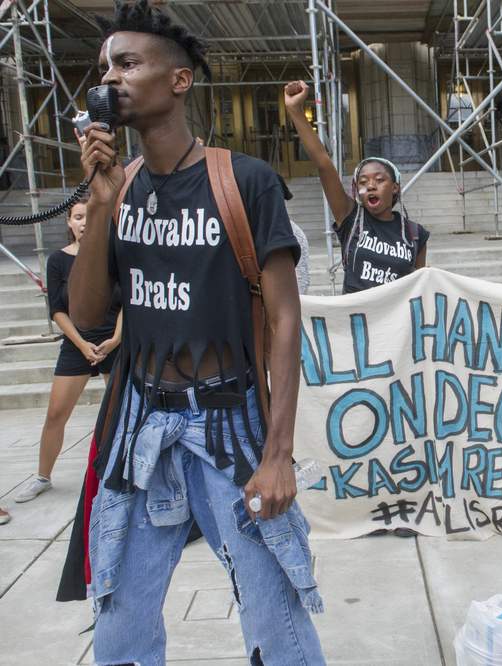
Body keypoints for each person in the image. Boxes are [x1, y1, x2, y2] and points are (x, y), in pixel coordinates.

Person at [67, 2, 324, 663]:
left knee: (274, 618)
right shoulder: (116, 189)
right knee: (119, 623)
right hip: (140, 430)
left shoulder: (244, 181)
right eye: (104, 67)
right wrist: (97, 206)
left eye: (128, 63)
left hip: (229, 428)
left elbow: (285, 316)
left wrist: (278, 454)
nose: (110, 79)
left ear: (179, 80)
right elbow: (91, 313)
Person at [14, 196, 123, 505]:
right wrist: (81, 343)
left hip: (113, 343)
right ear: (69, 223)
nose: (84, 222)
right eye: (77, 217)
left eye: (89, 216)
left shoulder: (113, 255)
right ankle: (42, 477)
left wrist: (115, 339)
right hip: (77, 344)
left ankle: (120, 473)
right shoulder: (58, 260)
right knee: (56, 414)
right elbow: (57, 310)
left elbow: (130, 301)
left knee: (120, 414)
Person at [283, 80, 429, 294]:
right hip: (355, 324)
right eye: (363, 182)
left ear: (395, 187)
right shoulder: (349, 219)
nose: (370, 186)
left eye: (379, 180)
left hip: (396, 325)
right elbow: (323, 163)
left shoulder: (415, 234)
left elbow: (418, 289)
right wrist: (295, 111)